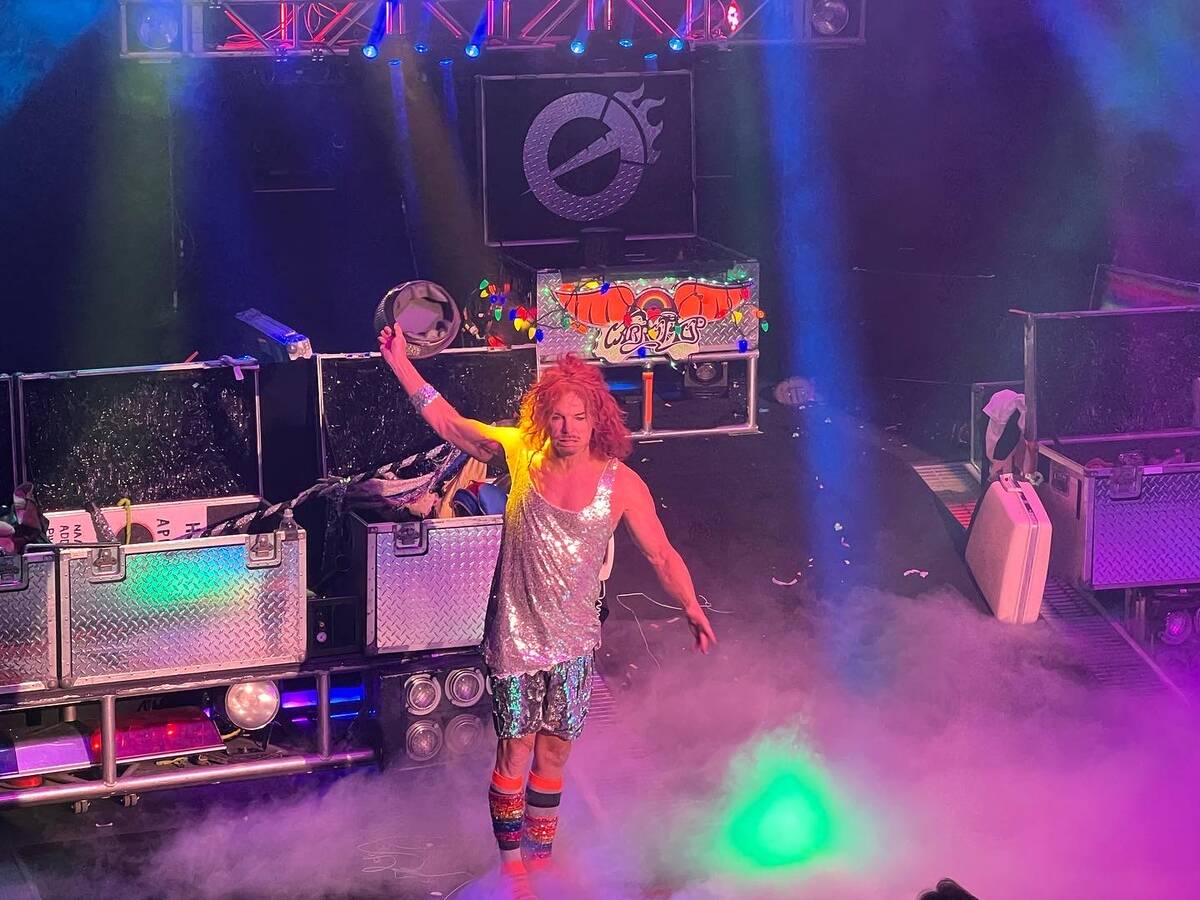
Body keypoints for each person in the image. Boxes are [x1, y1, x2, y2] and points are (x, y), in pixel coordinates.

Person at [378, 326, 716, 897]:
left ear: (596, 419)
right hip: (515, 636)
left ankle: (540, 861)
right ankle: (512, 864)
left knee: (555, 753)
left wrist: (691, 605)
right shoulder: (520, 452)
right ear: (543, 419)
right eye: (557, 417)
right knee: (516, 748)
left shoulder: (622, 484)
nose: (567, 428)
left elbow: (661, 553)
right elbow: (451, 424)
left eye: (578, 417)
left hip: (574, 641)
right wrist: (401, 365)